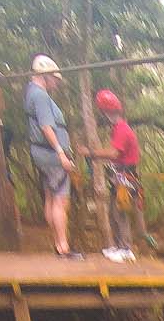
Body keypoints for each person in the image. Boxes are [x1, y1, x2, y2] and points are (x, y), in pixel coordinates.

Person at [23, 53, 79, 259]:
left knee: (50, 197)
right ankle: (63, 246)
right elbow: (47, 126)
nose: (56, 83)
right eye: (54, 79)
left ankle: (58, 243)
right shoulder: (40, 95)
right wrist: (61, 152)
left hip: (42, 154)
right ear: (44, 76)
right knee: (60, 201)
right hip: (51, 155)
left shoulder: (31, 93)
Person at [83, 88, 141, 262]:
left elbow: (114, 153)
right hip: (120, 176)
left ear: (108, 111)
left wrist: (91, 153)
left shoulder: (122, 129)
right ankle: (119, 245)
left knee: (120, 211)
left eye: (104, 111)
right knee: (114, 211)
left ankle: (125, 248)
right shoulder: (117, 128)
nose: (103, 115)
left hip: (126, 176)